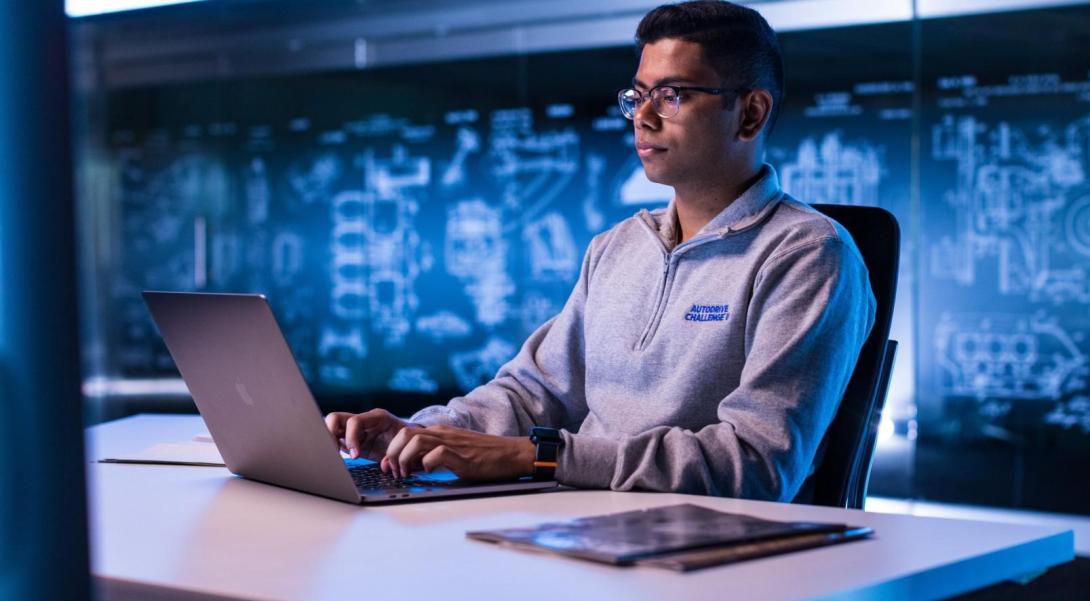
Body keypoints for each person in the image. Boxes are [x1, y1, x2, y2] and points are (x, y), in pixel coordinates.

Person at [326, 0, 875, 502]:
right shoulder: (616, 248)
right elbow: (532, 394)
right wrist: (420, 433)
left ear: (751, 114)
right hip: (576, 515)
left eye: (674, 94)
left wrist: (543, 457)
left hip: (698, 547)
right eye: (638, 95)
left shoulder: (809, 254)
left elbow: (756, 464)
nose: (643, 116)